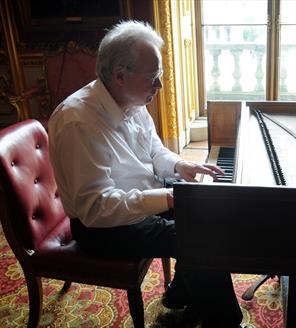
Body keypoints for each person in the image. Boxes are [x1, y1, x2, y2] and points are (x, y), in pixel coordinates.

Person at [48, 20, 244, 328]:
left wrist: (181, 166)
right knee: (201, 239)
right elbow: (96, 209)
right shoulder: (79, 122)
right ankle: (225, 323)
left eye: (160, 75)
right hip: (101, 228)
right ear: (120, 76)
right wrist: (167, 198)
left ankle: (180, 295)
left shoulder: (131, 96)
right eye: (154, 78)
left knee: (205, 208)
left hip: (138, 195)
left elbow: (153, 151)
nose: (160, 86)